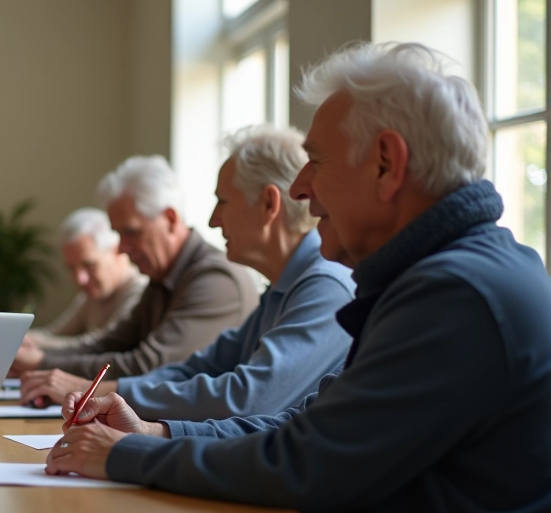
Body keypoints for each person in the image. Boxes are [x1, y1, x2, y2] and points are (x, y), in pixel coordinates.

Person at [46, 43, 551, 513]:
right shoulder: (440, 277)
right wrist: (156, 433)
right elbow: (308, 428)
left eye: (317, 161)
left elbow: (305, 463)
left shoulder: (456, 294)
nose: (300, 187)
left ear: (386, 163)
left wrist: (129, 453)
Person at [21, 125, 354, 421]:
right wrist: (95, 388)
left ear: (269, 204)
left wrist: (95, 390)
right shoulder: (284, 287)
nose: (212, 220)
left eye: (223, 202)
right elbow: (200, 367)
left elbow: (247, 398)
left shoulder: (323, 284)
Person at [11, 155, 259, 379]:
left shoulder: (215, 279)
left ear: (170, 219)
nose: (121, 248)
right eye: (119, 235)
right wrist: (41, 358)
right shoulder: (163, 278)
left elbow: (150, 365)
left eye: (131, 232)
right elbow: (112, 343)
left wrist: (43, 362)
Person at [25, 208, 148, 351]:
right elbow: (53, 334)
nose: (80, 279)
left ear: (117, 250)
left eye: (89, 265)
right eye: (71, 268)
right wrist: (19, 336)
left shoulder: (140, 291)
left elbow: (103, 344)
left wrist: (31, 344)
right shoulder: (93, 294)